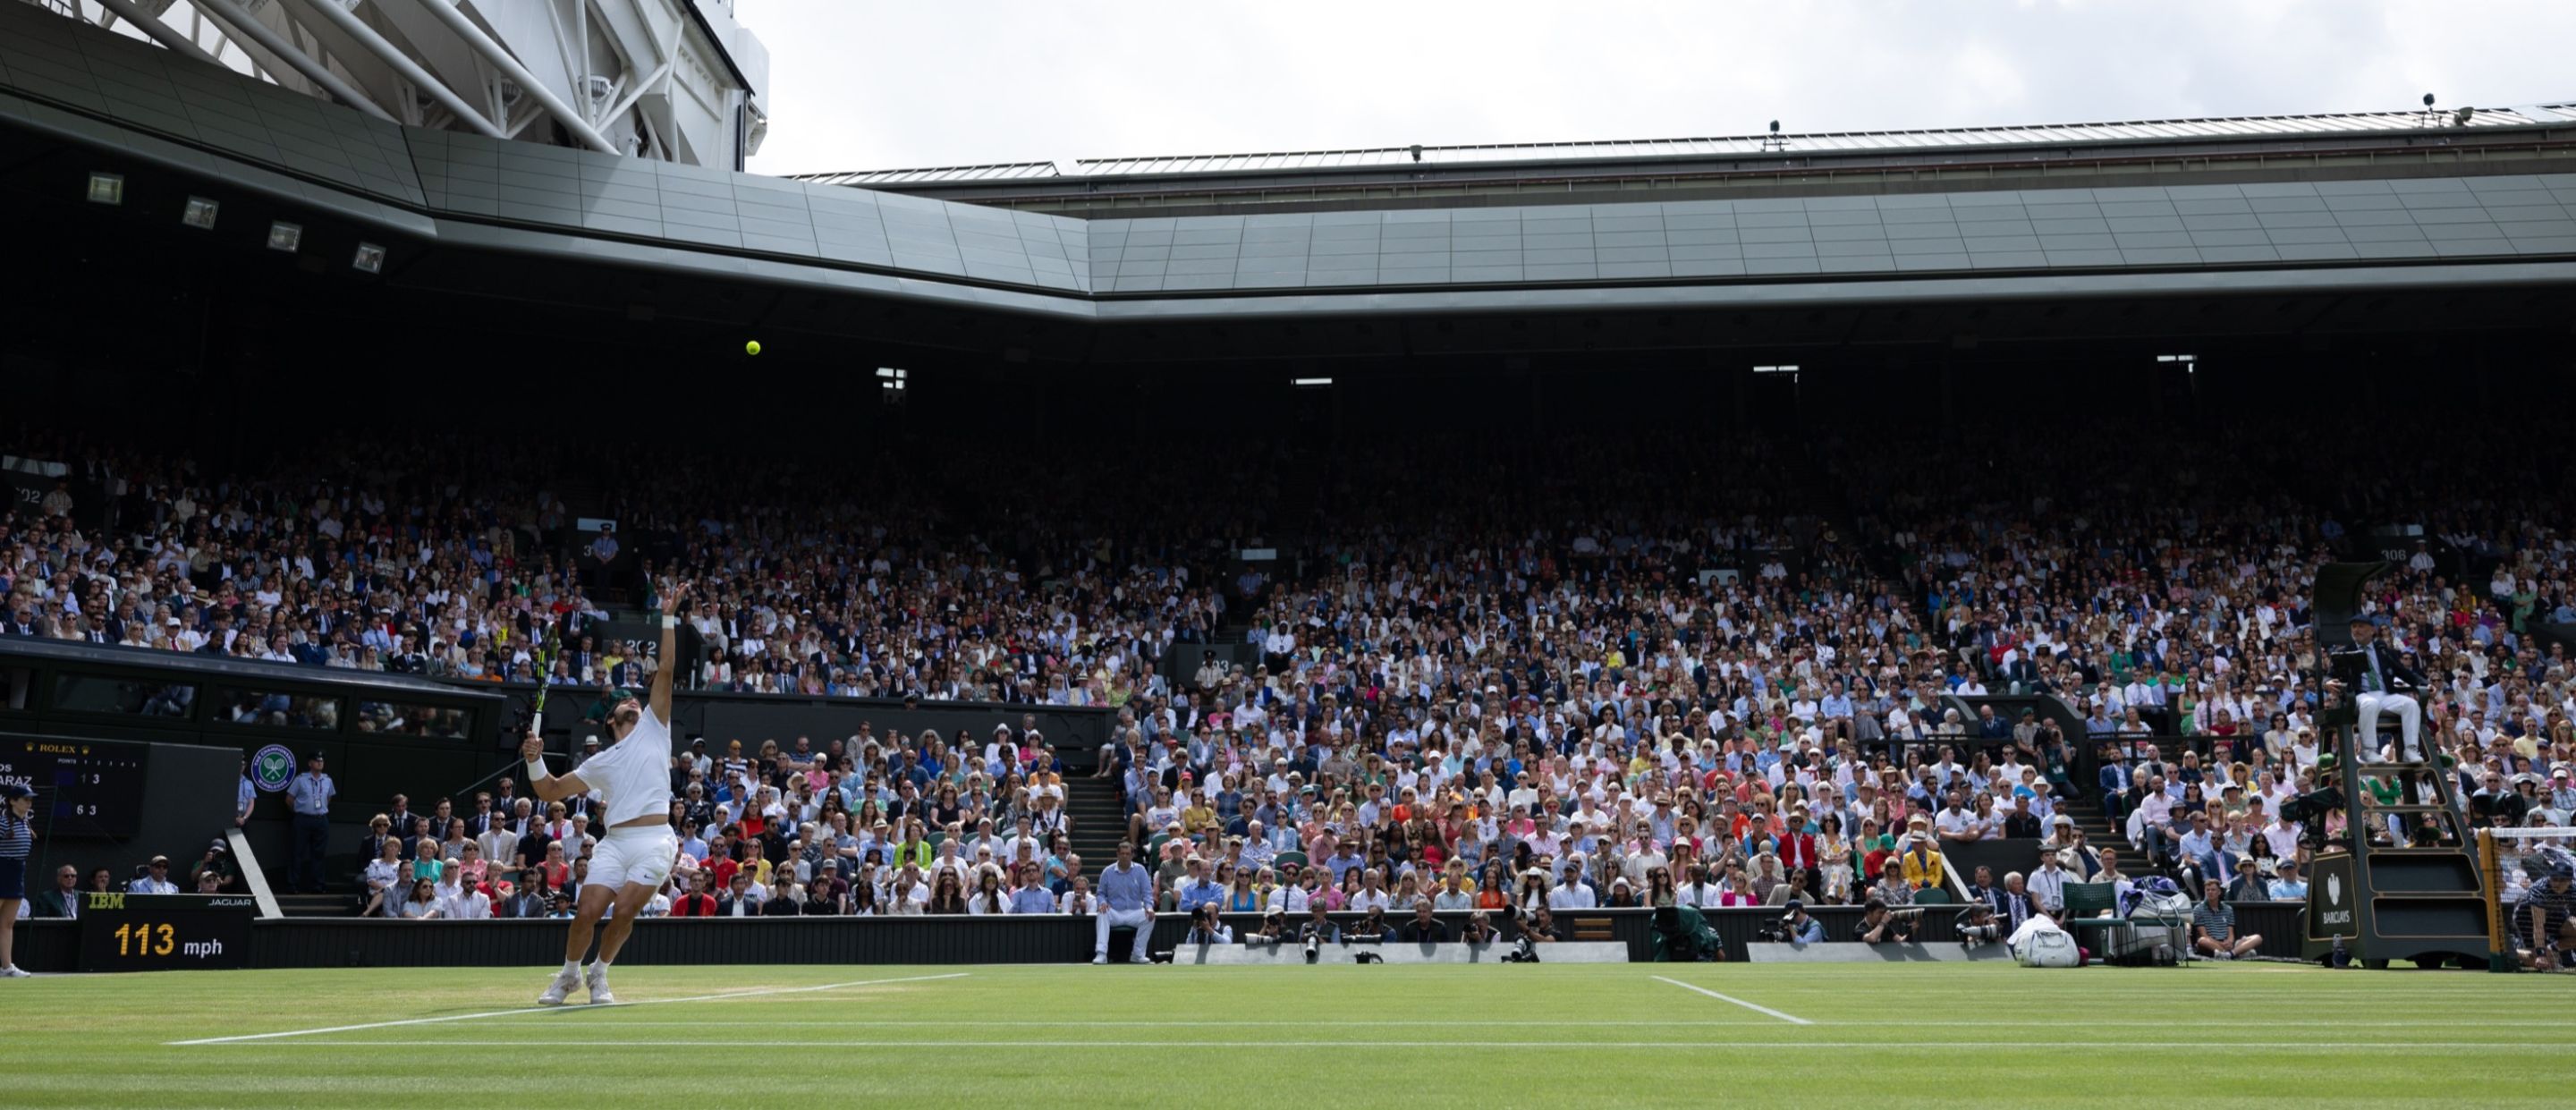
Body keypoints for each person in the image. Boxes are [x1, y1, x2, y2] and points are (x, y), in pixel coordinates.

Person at [517, 584, 689, 1005]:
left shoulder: (654, 724)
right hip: (614, 843)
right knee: (587, 913)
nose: (635, 701)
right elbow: (549, 790)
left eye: (637, 699)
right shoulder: (600, 763)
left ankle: (600, 974)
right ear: (611, 721)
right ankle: (570, 975)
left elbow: (665, 666)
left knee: (626, 910)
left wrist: (667, 617)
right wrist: (533, 760)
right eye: (626, 704)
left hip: (654, 839)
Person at [2328, 615, 2423, 762]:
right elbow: (2329, 676)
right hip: (2360, 695)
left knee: (2411, 704)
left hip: (2385, 694)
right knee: (2370, 703)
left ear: (2372, 630)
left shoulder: (2384, 650)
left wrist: (2425, 684)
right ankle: (2369, 751)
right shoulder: (2345, 651)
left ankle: (2410, 750)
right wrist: (2326, 683)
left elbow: (2404, 673)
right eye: (2354, 627)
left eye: (2361, 626)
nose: (2356, 630)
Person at [1093, 841, 1156, 965]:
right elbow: (1100, 893)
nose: (1125, 856)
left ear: (1132, 855)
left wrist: (1149, 907)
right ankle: (1101, 954)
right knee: (1102, 913)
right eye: (1122, 854)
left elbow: (1147, 893)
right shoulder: (1108, 872)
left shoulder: (1141, 870)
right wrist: (1102, 903)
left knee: (1150, 917)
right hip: (1114, 912)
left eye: (1128, 854)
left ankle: (1138, 954)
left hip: (1134, 912)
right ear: (1118, 854)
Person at [287, 752, 336, 894]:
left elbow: (329, 798)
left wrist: (319, 810)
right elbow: (289, 799)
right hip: (303, 819)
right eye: (316, 760)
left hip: (321, 820)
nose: (320, 763)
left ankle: (317, 885)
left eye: (322, 760)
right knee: (297, 852)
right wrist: (300, 811)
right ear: (310, 763)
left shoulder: (327, 780)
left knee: (319, 854)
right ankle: (293, 884)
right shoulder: (301, 779)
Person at [0, 784, 31, 977]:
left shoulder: (24, 824)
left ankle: (7, 968)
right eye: (25, 799)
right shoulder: (2, 822)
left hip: (16, 874)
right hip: (2, 870)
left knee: (8, 923)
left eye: (30, 799)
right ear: (13, 801)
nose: (29, 803)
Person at [2191, 878, 2262, 960]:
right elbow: (2204, 935)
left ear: (2219, 892)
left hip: (2228, 944)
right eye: (2208, 890)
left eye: (2213, 890)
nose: (2210, 892)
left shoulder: (2228, 909)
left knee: (2257, 938)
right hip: (2211, 944)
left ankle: (2229, 954)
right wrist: (2221, 944)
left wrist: (2230, 942)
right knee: (2202, 940)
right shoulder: (2198, 909)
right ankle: (2237, 953)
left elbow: (2230, 933)